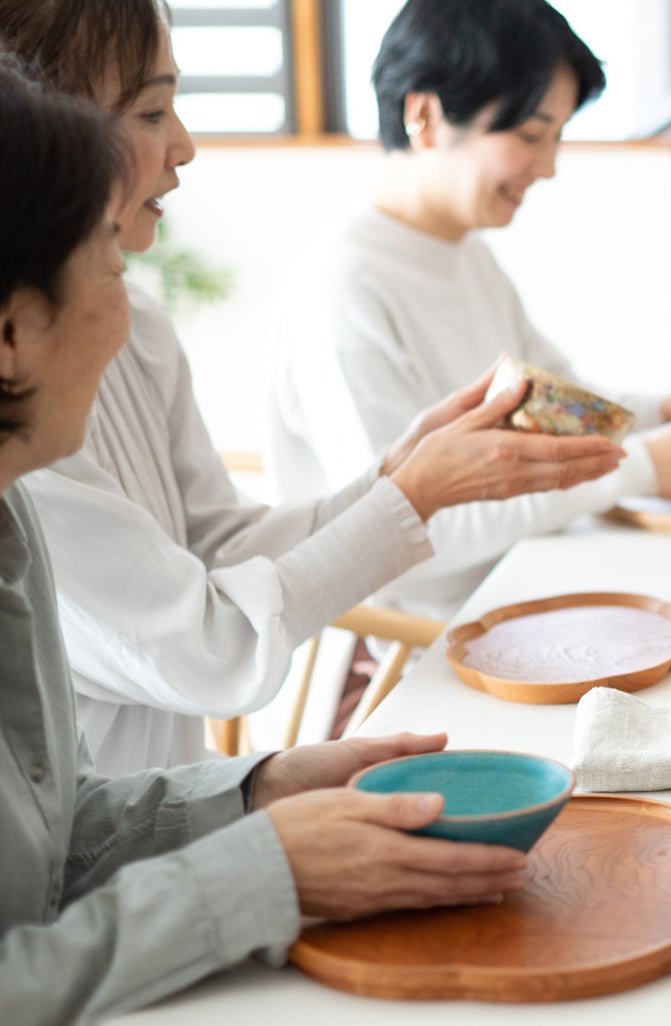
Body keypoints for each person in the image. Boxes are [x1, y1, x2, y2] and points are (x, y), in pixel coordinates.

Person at [0, 60, 529, 1023]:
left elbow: (53, 835)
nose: (126, 306)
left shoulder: (12, 521)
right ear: (10, 332)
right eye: (109, 265)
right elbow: (208, 637)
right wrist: (260, 869)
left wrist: (253, 793)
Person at [0, 0, 625, 773]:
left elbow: (214, 546)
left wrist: (394, 476)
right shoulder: (27, 391)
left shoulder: (142, 323)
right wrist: (415, 495)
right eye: (153, 111)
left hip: (186, 793)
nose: (186, 147)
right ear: (39, 125)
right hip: (159, 809)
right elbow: (208, 648)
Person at [266, 0, 671, 618]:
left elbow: (558, 407)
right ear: (425, 115)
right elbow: (403, 536)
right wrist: (641, 465)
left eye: (557, 137)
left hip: (515, 590)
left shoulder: (462, 256)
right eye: (531, 135)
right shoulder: (345, 289)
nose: (548, 167)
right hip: (408, 645)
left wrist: (663, 412)